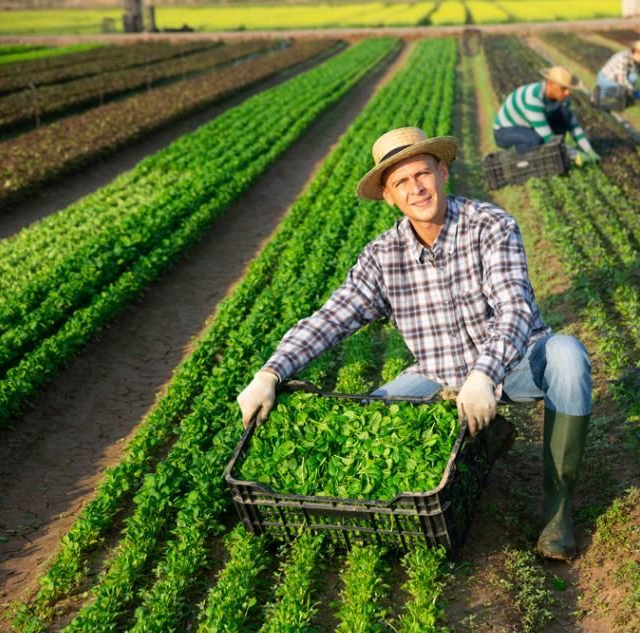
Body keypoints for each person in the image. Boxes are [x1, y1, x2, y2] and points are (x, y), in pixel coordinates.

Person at [237, 127, 593, 561]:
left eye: (422, 174)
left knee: (568, 356)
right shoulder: (382, 257)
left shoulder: (491, 226)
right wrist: (270, 372)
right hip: (438, 377)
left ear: (442, 172)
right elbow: (332, 317)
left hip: (513, 363)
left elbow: (514, 310)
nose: (416, 188)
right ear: (388, 196)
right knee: (370, 426)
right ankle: (478, 440)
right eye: (401, 182)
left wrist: (484, 375)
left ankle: (558, 513)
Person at [493, 65, 601, 164]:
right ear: (550, 83)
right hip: (504, 131)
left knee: (563, 116)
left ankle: (556, 154)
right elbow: (548, 137)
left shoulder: (561, 99)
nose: (567, 92)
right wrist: (574, 154)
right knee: (535, 141)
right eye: (563, 88)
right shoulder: (533, 98)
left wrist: (589, 150)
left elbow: (573, 126)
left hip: (527, 126)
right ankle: (521, 162)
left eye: (568, 89)